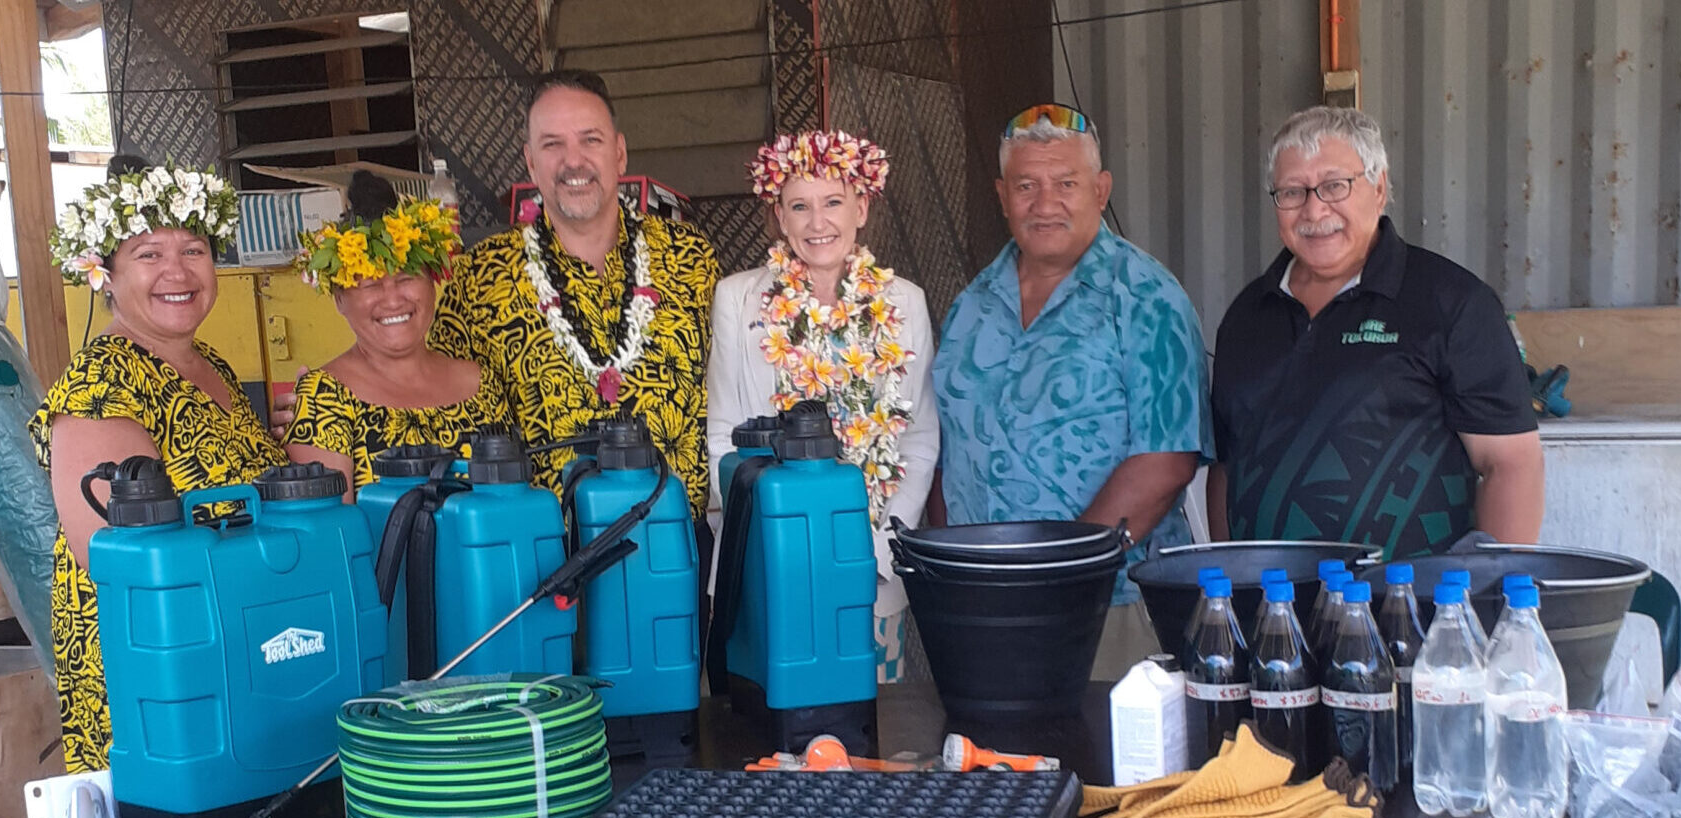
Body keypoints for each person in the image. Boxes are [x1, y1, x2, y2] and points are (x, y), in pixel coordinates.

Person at [933, 103, 1212, 678]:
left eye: (1066, 183)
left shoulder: (1147, 297)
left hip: (1111, 608)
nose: (1044, 203)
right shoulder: (970, 305)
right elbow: (946, 445)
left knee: (1106, 763)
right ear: (1002, 194)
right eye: (1026, 185)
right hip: (983, 607)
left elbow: (1167, 459)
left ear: (1101, 189)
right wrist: (955, 569)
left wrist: (1060, 577)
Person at [33, 154, 292, 773]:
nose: (176, 271)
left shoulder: (214, 368)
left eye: (194, 249)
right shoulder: (102, 382)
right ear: (105, 272)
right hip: (160, 678)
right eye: (148, 253)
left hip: (234, 653)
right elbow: (123, 557)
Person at [1208, 106, 1543, 554]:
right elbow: (1227, 468)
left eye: (1334, 186)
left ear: (1379, 187)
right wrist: (1233, 586)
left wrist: (1491, 593)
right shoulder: (1247, 316)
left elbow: (1511, 464)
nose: (1314, 209)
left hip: (1414, 611)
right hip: (1274, 611)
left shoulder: (1452, 303)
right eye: (1292, 192)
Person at [425, 70, 720, 513]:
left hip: (681, 544)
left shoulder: (691, 259)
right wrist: (345, 384)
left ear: (619, 153)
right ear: (530, 162)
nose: (573, 161)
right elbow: (434, 400)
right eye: (552, 144)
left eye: (590, 140)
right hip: (548, 554)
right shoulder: (479, 279)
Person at [707, 129, 938, 682]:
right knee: (770, 731)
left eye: (833, 202)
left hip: (871, 570)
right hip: (764, 561)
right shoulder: (738, 299)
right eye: (799, 206)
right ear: (779, 218)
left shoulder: (904, 303)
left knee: (867, 731)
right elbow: (722, 436)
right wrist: (773, 534)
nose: (818, 223)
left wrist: (878, 553)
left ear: (861, 208)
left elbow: (921, 441)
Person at [283, 170, 501, 491]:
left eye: (407, 277)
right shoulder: (322, 399)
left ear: (433, 282)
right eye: (371, 283)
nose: (394, 299)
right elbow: (333, 533)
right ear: (340, 299)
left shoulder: (481, 384)